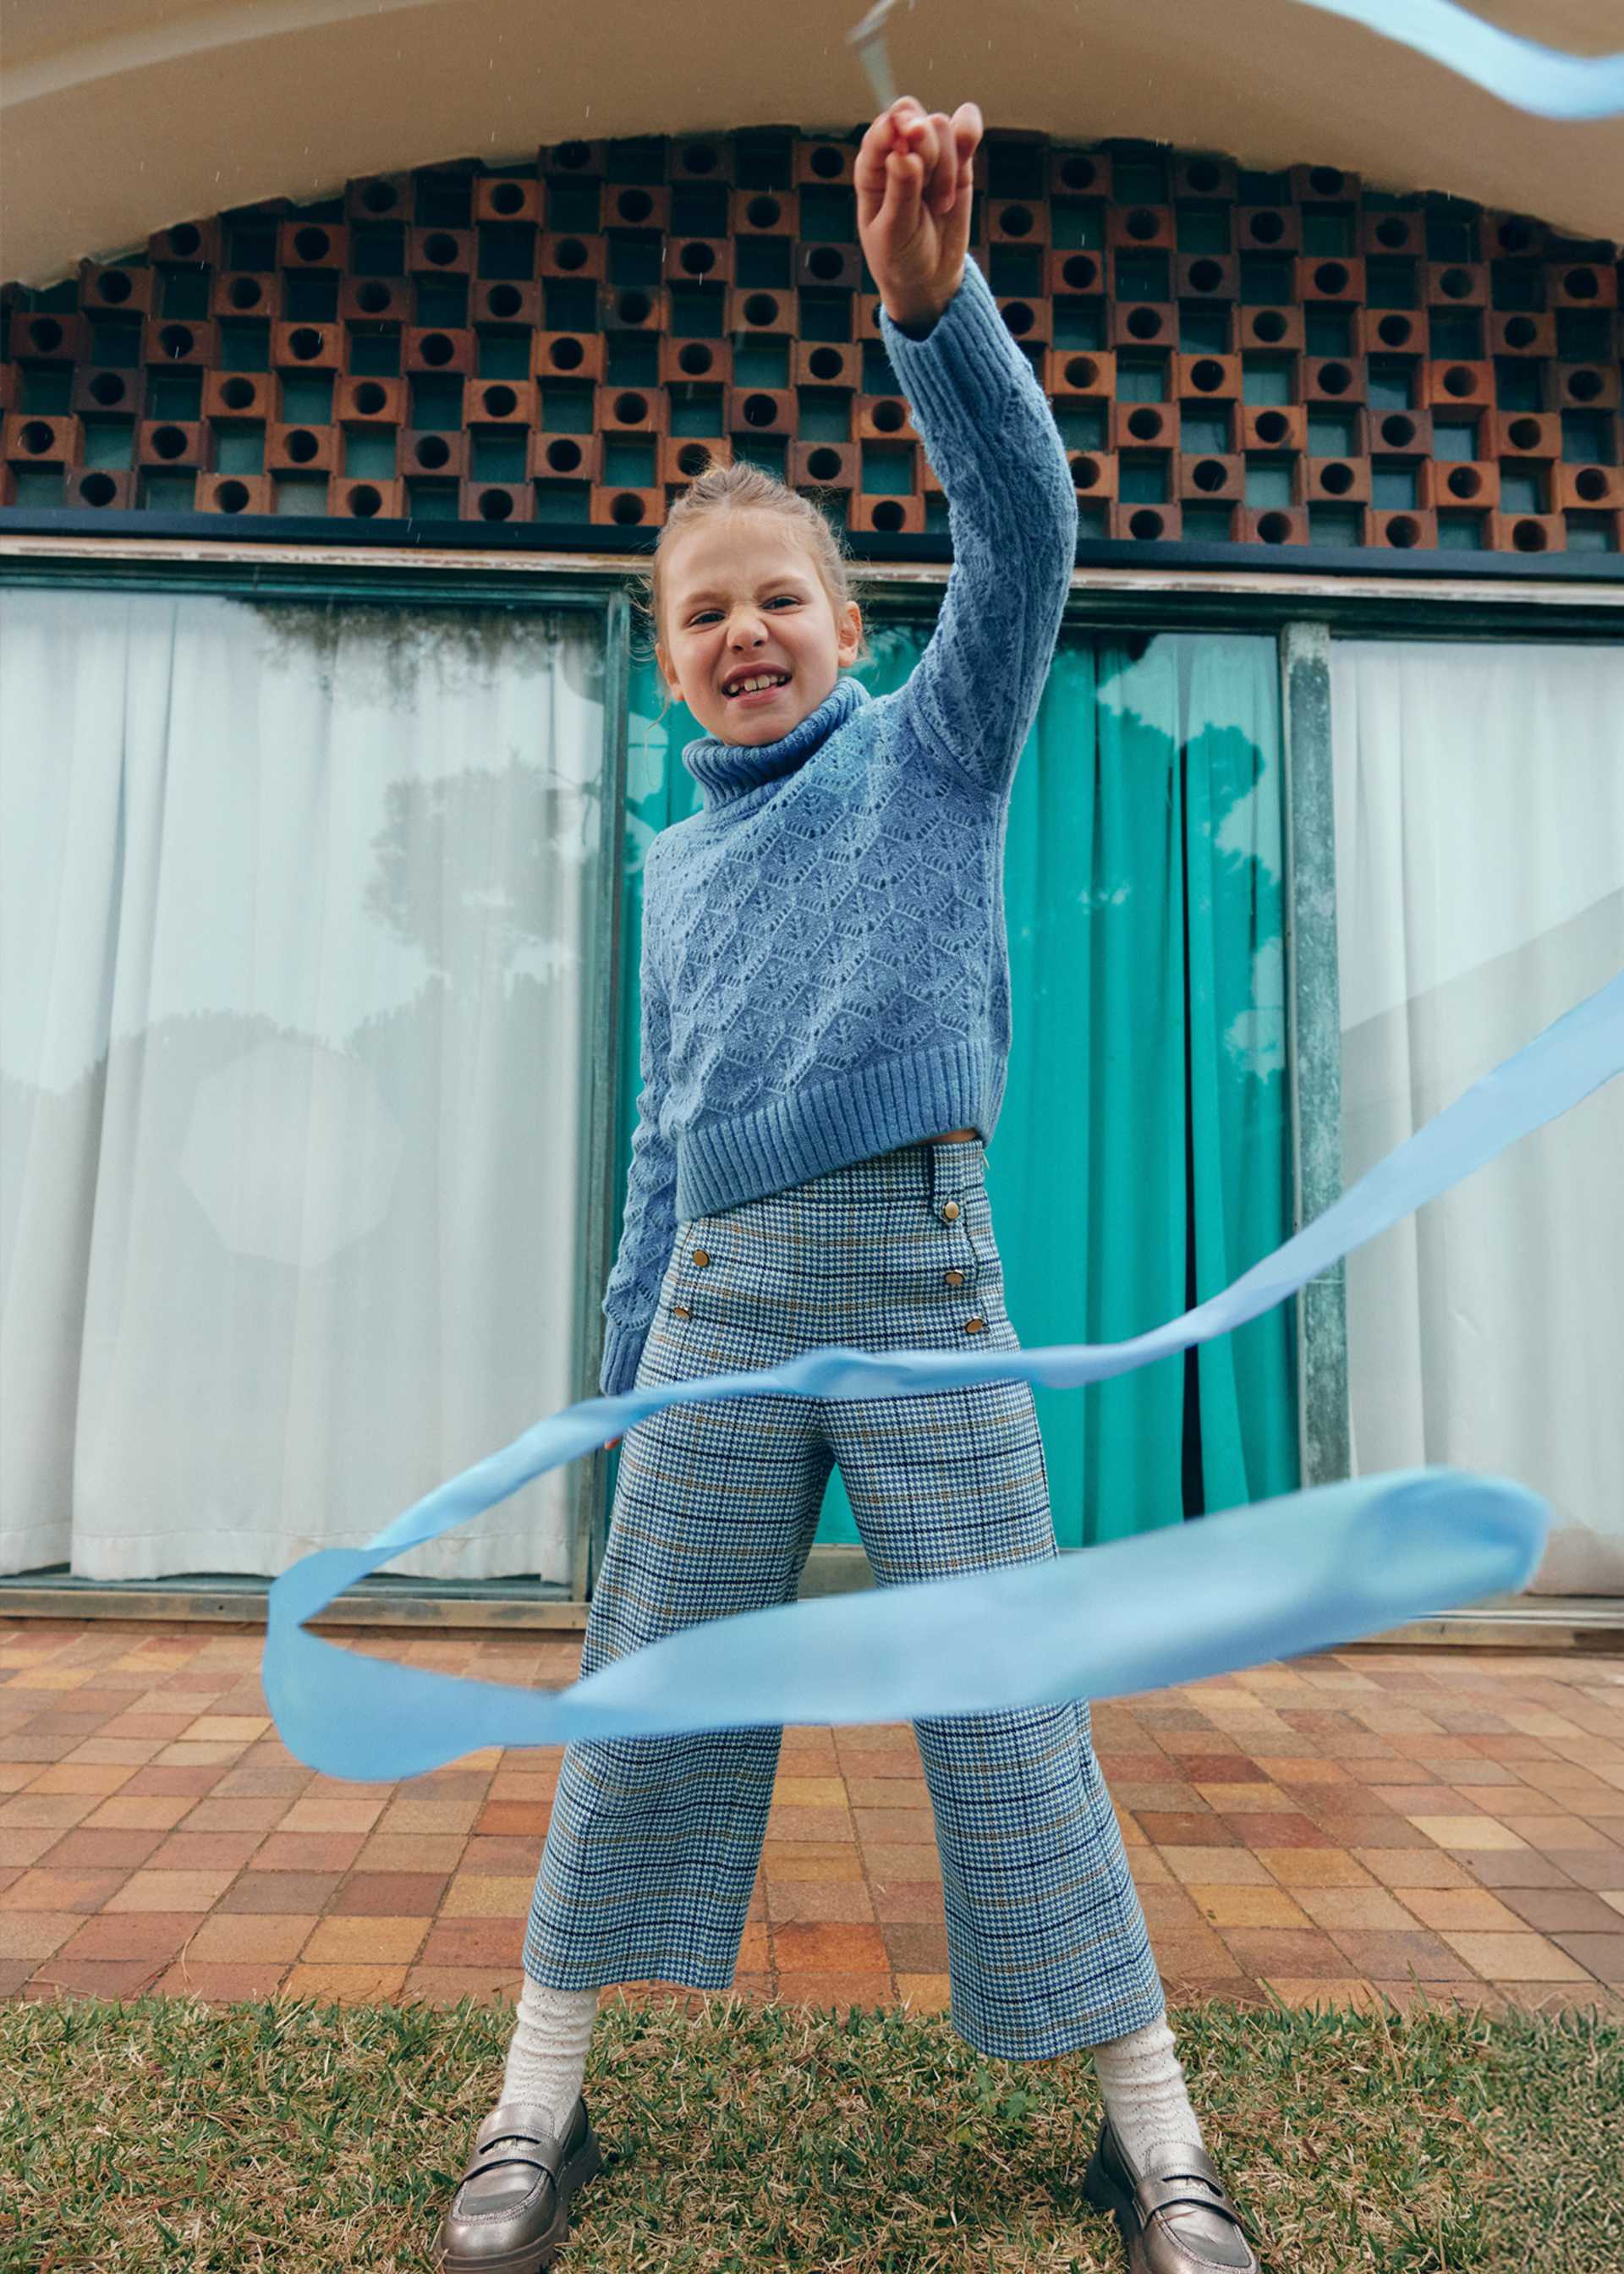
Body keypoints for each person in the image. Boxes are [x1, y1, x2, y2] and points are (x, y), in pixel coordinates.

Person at [436, 94, 1259, 2274]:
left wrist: (933, 311)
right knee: (641, 1691)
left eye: (779, 596)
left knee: (1011, 1704)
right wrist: (621, 1398)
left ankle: (1158, 2138)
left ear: (847, 614)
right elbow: (656, 1160)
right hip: (712, 1314)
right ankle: (536, 2113)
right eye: (702, 613)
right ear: (664, 650)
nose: (743, 633)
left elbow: (1032, 532)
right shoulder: (679, 871)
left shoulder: (936, 750)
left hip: (921, 1287)